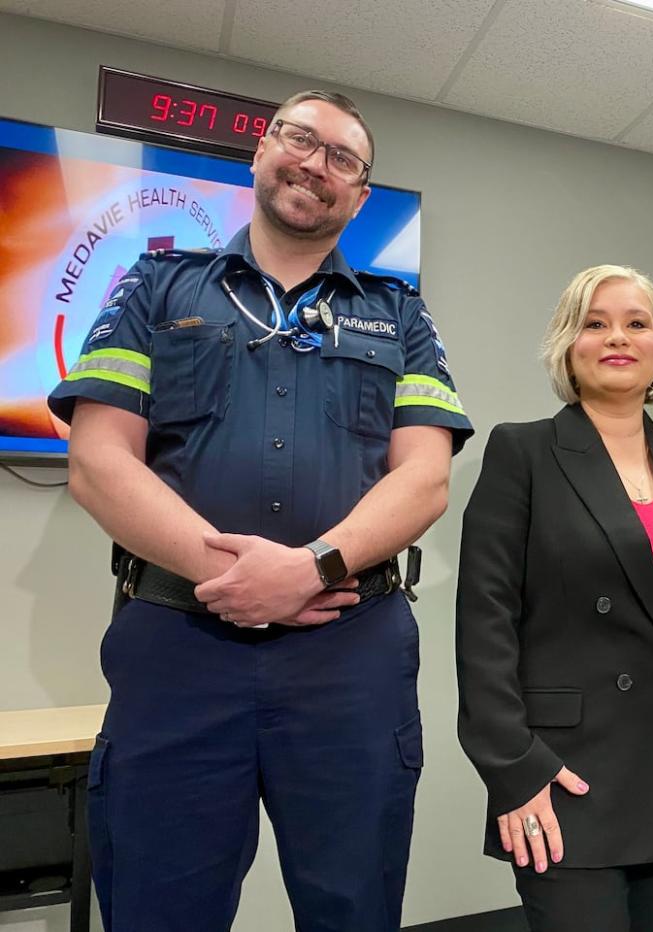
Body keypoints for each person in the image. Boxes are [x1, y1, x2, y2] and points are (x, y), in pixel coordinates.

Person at [48, 90, 473, 932]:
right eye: (299, 139)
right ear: (259, 152)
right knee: (159, 907)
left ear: (358, 196)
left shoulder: (401, 317)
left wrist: (308, 570)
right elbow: (98, 464)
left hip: (350, 655)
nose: (315, 164)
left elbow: (424, 480)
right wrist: (240, 579)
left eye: (343, 160)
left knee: (354, 905)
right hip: (180, 650)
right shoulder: (156, 285)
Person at [456, 265, 653, 932]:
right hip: (563, 776)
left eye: (636, 323)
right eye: (595, 323)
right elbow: (486, 623)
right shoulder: (522, 451)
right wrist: (513, 768)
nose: (616, 337)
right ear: (568, 345)